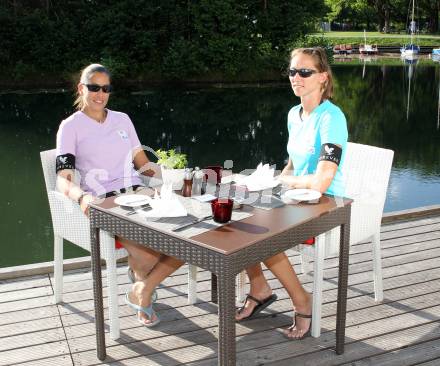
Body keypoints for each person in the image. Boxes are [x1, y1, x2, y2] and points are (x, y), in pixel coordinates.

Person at [56, 63, 184, 327]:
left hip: (139, 193)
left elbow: (142, 163)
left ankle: (142, 286)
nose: (100, 94)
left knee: (192, 238)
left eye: (106, 88)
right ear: (82, 88)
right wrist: (82, 197)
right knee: (149, 255)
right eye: (94, 87)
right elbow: (63, 179)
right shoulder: (70, 127)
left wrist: (172, 178)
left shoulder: (122, 119)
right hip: (106, 202)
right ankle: (144, 290)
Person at [235, 47, 348, 340]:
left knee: (261, 231)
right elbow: (292, 165)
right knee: (240, 214)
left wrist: (285, 184)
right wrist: (270, 182)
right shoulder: (293, 114)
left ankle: (302, 300)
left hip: (327, 202)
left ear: (323, 77)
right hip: (296, 197)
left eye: (305, 72)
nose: (296, 77)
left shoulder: (331, 118)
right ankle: (259, 286)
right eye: (292, 71)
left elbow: (323, 180)